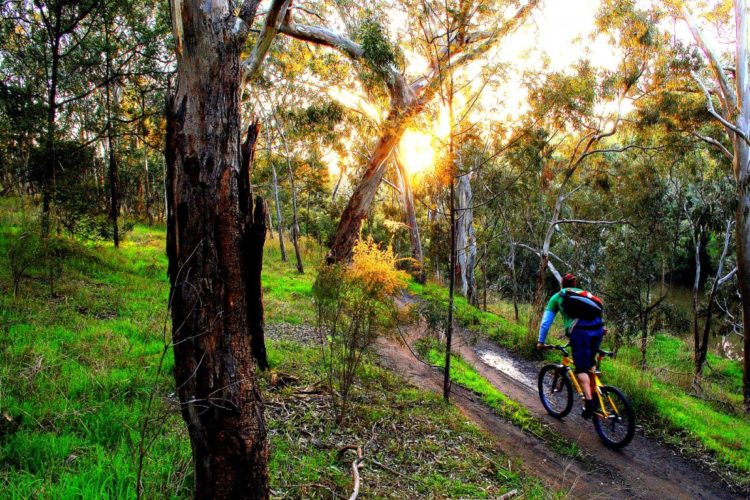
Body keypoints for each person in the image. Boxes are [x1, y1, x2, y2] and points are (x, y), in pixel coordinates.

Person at [536, 273, 605, 419]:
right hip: (598, 328)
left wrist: (541, 342)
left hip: (580, 332)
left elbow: (546, 323)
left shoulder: (557, 297)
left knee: (580, 370)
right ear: (575, 284)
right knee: (590, 364)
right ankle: (595, 394)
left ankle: (590, 403)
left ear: (562, 284)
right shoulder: (585, 294)